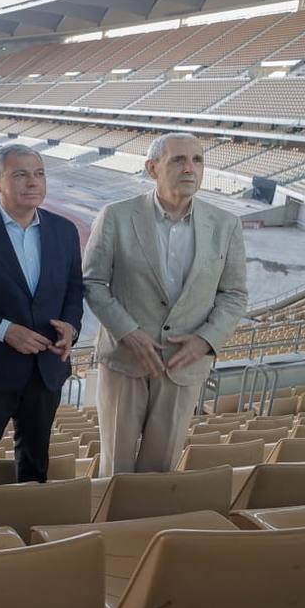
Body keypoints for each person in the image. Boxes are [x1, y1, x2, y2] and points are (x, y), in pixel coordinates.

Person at [83, 132, 247, 475]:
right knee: (116, 468)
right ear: (152, 167)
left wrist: (205, 340)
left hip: (183, 366)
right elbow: (93, 282)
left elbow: (234, 295)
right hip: (125, 359)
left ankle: (146, 528)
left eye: (197, 160)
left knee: (161, 470)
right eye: (179, 160)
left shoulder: (226, 225)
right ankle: (111, 528)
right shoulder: (116, 216)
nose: (190, 168)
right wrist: (128, 331)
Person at [0, 144, 83, 486]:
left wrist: (71, 327)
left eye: (39, 174)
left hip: (47, 365)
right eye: (20, 175)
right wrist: (5, 330)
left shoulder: (64, 231)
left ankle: (30, 523)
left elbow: (72, 290)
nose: (32, 182)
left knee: (36, 455)